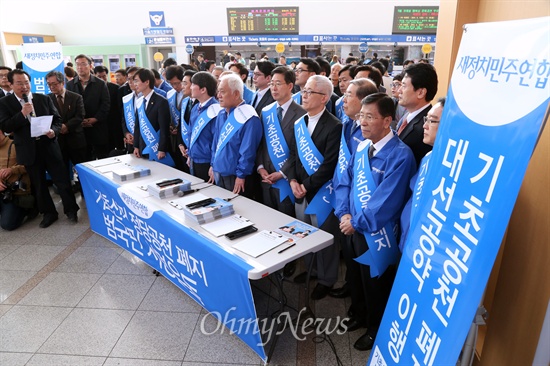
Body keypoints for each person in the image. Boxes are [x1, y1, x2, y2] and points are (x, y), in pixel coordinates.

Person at [334, 93, 416, 351]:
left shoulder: (401, 156)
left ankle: (375, 329)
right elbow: (344, 182)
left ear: (388, 120)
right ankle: (358, 314)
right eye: (361, 116)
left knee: (375, 284)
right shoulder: (360, 147)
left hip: (376, 234)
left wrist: (356, 222)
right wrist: (344, 213)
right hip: (351, 226)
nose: (363, 122)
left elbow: (386, 201)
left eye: (370, 117)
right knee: (355, 277)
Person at [280, 75, 342, 300]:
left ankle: (326, 279)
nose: (303, 95)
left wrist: (305, 185)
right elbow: (294, 156)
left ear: (324, 98)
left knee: (325, 238)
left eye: (309, 92)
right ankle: (311, 270)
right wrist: (293, 181)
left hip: (322, 193)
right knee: (305, 233)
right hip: (300, 190)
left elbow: (329, 164)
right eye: (303, 90)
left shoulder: (335, 126)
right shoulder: (300, 122)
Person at [0, 69, 79, 227]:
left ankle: (71, 210)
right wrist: (22, 114)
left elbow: (57, 120)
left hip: (49, 145)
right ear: (10, 84)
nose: (24, 86)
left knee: (62, 180)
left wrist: (54, 131)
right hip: (27, 150)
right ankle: (49, 213)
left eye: (26, 82)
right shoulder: (4, 103)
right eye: (19, 83)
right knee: (39, 184)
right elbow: (5, 126)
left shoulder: (43, 98)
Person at [257, 66, 306, 217]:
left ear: (290, 86)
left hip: (287, 181)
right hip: (266, 180)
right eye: (271, 84)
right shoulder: (266, 111)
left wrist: (282, 173)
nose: (274, 88)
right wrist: (260, 168)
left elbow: (300, 151)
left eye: (278, 83)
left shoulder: (302, 114)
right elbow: (260, 144)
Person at [399, 97, 446, 250]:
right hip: (407, 240)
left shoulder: (452, 170)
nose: (424, 126)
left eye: (432, 121)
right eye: (426, 119)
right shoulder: (428, 158)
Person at [209, 74, 262, 196]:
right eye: (218, 92)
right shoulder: (221, 114)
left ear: (236, 94)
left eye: (222, 92)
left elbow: (248, 151)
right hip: (219, 172)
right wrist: (213, 164)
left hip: (237, 177)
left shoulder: (249, 117)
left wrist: (241, 175)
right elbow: (216, 143)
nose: (218, 96)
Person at [46, 71, 87, 191]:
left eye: (54, 84)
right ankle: (66, 191)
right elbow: (47, 118)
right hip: (58, 141)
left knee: (81, 168)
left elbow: (80, 116)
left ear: (62, 83)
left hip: (76, 139)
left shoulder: (76, 97)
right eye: (49, 84)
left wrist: (66, 126)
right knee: (61, 169)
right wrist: (58, 128)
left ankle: (84, 190)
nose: (52, 87)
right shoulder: (47, 99)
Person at [66, 54, 111, 160]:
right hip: (79, 130)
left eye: (83, 64)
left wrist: (95, 119)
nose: (80, 67)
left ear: (91, 66)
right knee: (84, 161)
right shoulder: (70, 85)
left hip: (98, 128)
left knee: (102, 160)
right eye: (77, 65)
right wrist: (78, 120)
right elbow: (68, 106)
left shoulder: (100, 84)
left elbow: (106, 104)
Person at [396, 62, 438, 166]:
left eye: (404, 86)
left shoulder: (427, 127)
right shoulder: (407, 116)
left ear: (421, 93)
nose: (399, 90)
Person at [132, 68, 172, 166]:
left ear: (146, 82)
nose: (134, 84)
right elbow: (137, 126)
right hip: (143, 148)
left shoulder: (161, 101)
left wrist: (162, 149)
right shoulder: (140, 101)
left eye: (136, 81)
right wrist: (136, 146)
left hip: (156, 149)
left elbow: (164, 128)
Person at [187, 72, 220, 181]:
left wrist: (213, 164)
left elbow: (217, 140)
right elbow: (191, 132)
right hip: (194, 159)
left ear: (203, 89)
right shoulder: (196, 107)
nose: (190, 87)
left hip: (207, 162)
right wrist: (190, 155)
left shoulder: (216, 110)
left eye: (193, 84)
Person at [0, 129, 35, 230]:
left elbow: (29, 165)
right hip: (2, 191)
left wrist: (12, 170)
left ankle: (26, 208)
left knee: (7, 225)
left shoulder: (16, 145)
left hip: (15, 193)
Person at [165, 65, 196, 172]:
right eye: (171, 84)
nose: (175, 86)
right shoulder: (169, 94)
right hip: (176, 139)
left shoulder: (191, 97)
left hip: (188, 140)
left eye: (177, 83)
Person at [94, 65, 124, 151]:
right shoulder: (93, 90)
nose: (102, 78)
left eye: (104, 76)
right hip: (100, 124)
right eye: (99, 77)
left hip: (114, 123)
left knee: (119, 148)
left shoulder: (115, 88)